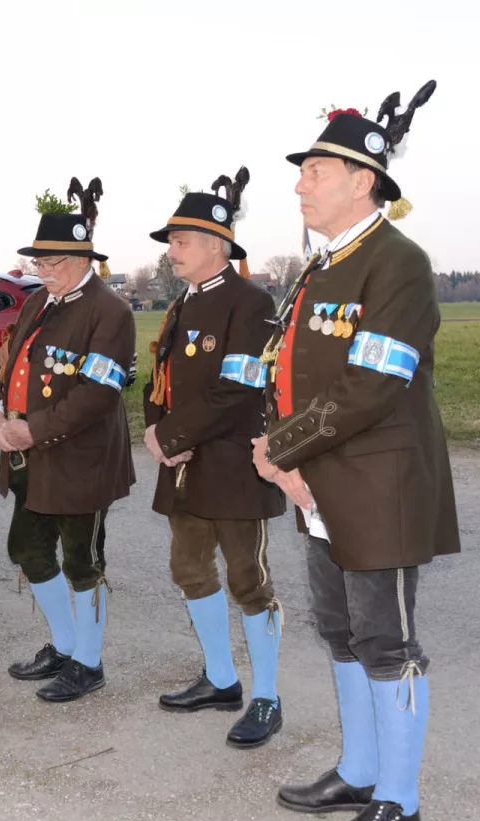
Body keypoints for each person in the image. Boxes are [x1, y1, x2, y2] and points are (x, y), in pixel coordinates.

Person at [253, 82, 459, 821]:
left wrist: (282, 448)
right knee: (338, 629)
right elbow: (285, 369)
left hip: (376, 483)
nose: (299, 183)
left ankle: (399, 802)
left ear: (361, 179)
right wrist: (284, 456)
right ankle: (361, 768)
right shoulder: (318, 268)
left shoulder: (397, 263)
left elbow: (374, 384)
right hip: (313, 483)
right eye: (302, 172)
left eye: (313, 171)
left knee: (387, 639)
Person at [143, 169, 286, 747]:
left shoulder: (250, 303)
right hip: (184, 465)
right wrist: (159, 433)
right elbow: (161, 380)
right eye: (171, 242)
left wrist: (169, 437)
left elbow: (240, 391)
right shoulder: (183, 303)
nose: (170, 251)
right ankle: (221, 679)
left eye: (179, 241)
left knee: (249, 580)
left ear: (215, 244)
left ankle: (267, 697)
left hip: (232, 464)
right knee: (190, 570)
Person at [0, 177, 136, 702]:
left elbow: (98, 393)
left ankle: (88, 664)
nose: (41, 273)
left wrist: (35, 428)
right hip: (29, 451)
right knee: (27, 548)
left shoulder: (110, 310)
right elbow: (7, 366)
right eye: (38, 264)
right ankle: (66, 644)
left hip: (81, 458)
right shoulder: (38, 304)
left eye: (51, 265)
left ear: (82, 260)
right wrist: (0, 412)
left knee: (81, 561)